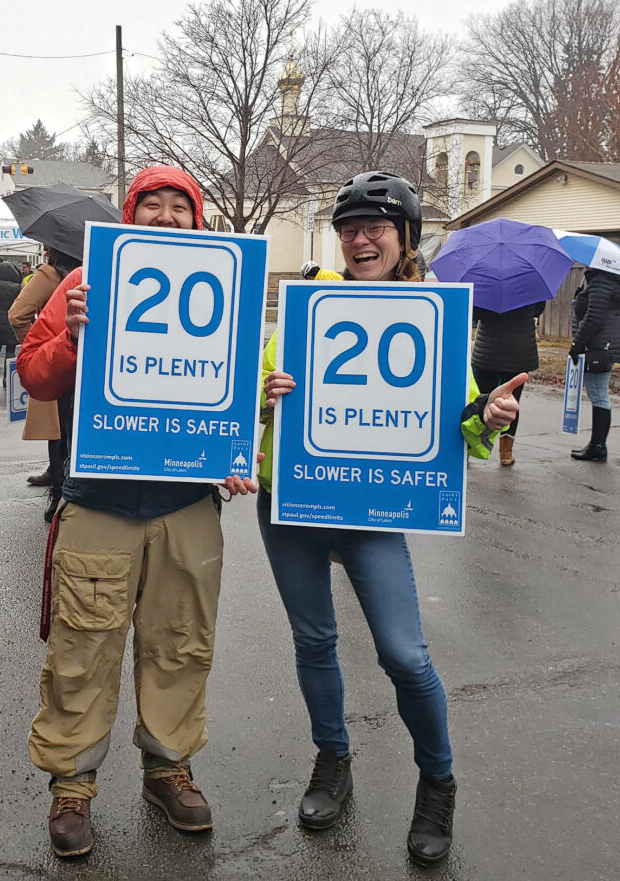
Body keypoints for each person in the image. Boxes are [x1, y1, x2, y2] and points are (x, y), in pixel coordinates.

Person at [256, 171, 525, 867]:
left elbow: (462, 420)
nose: (359, 238)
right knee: (314, 639)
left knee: (404, 654)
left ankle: (437, 781)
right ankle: (333, 757)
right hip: (293, 498)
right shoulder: (310, 298)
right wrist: (264, 393)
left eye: (376, 225)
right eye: (349, 227)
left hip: (372, 505)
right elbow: (255, 394)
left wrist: (487, 417)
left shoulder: (428, 312)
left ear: (404, 237)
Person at [18, 165, 258, 859]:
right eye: (148, 204)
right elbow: (34, 372)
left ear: (197, 218)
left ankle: (169, 768)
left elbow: (240, 385)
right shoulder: (85, 279)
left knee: (182, 640)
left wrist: (241, 450)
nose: (163, 215)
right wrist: (70, 335)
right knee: (82, 644)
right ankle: (71, 785)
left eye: (176, 206)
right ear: (130, 217)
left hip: (188, 503)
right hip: (100, 499)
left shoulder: (228, 286)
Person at [9, 247, 82, 520]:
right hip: (68, 357)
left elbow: (17, 314)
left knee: (58, 432)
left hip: (59, 358)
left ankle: (59, 492)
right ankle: (62, 489)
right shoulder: (101, 269)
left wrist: (35, 341)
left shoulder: (50, 274)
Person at [471, 301, 544, 466]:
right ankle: (506, 453)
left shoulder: (487, 281)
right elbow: (538, 310)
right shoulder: (532, 280)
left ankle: (468, 447)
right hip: (519, 350)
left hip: (488, 350)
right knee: (512, 402)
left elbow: (477, 314)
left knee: (479, 400)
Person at [569, 267, 620, 461]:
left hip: (597, 346)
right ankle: (598, 445)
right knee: (600, 395)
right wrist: (580, 297)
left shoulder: (601, 281)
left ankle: (597, 446)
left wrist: (577, 345)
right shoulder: (609, 281)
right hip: (605, 345)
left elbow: (593, 318)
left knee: (599, 395)